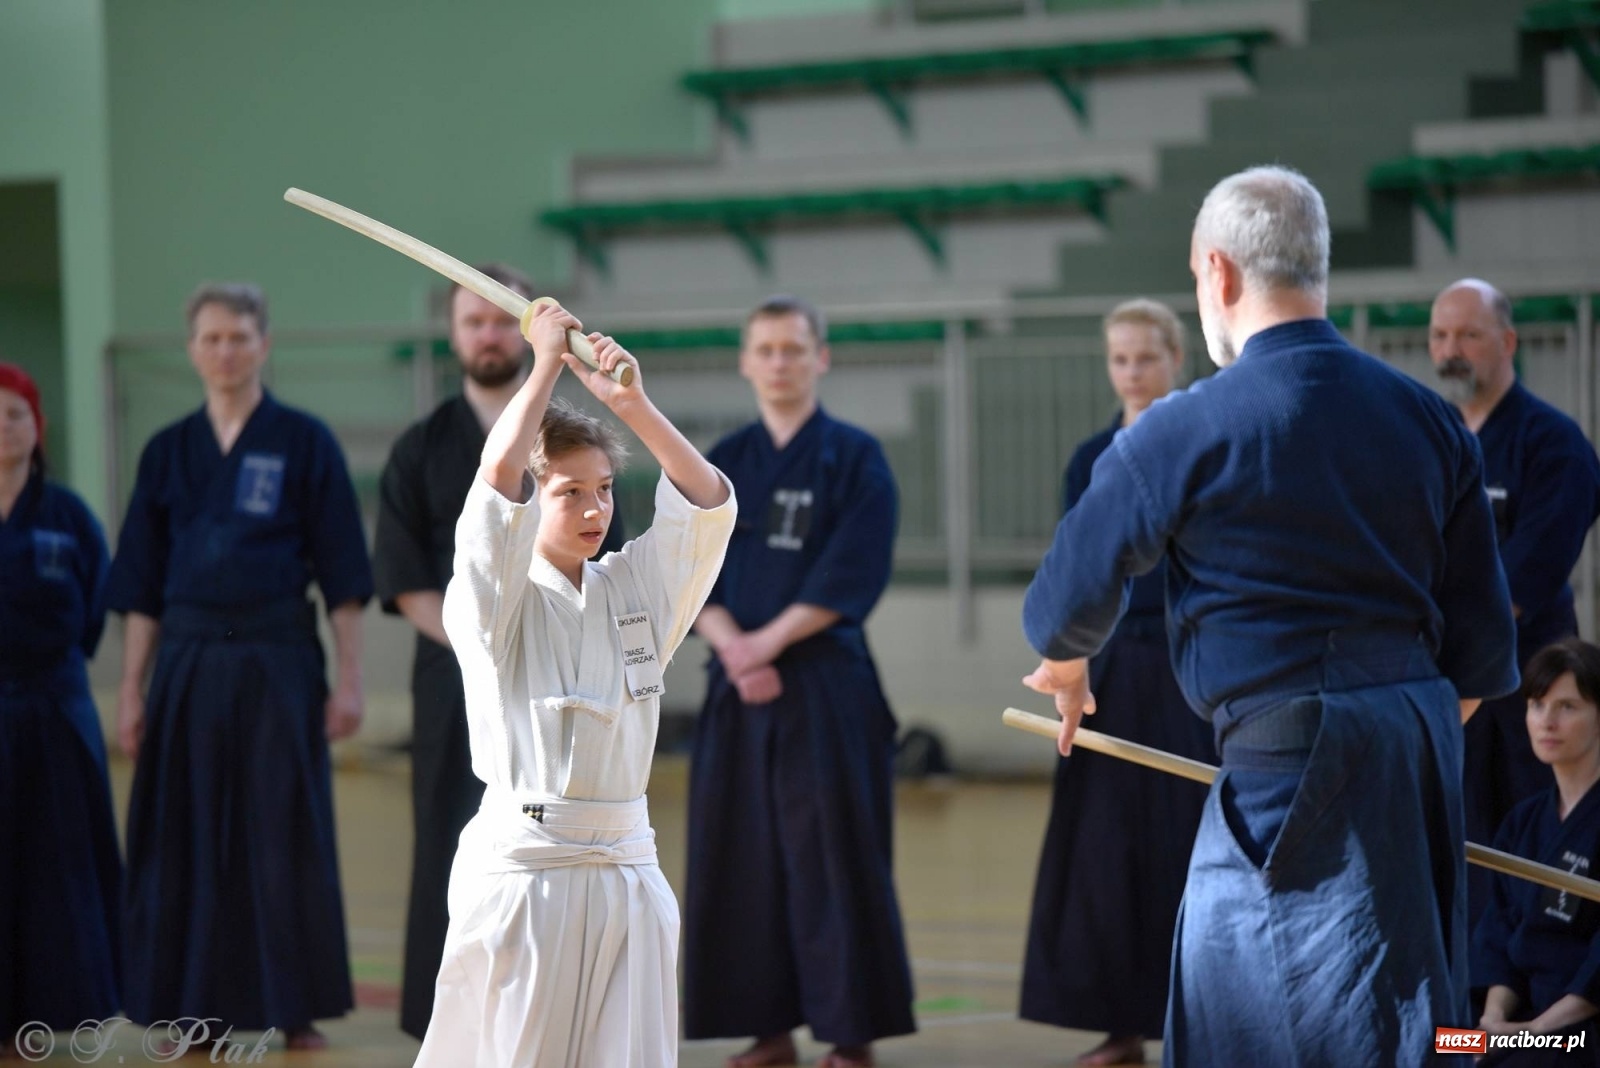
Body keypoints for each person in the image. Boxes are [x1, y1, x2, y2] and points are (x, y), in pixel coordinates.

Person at [1020, 165, 1519, 1067]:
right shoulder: (1430, 419)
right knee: (1406, 1015)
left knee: (1242, 1022)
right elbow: (1483, 656)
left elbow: (1061, 605)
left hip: (1290, 752)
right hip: (1421, 741)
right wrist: (1392, 733)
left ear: (1217, 274)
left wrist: (1067, 662)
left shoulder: (1181, 428)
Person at [412, 302, 733, 1068]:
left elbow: (708, 508)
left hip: (629, 869)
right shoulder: (491, 598)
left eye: (605, 490)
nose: (595, 509)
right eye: (568, 493)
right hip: (526, 875)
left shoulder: (636, 588)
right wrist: (544, 363)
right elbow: (494, 493)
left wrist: (634, 406)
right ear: (534, 498)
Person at [107, 284, 371, 1049]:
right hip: (186, 661)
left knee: (282, 828)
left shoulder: (304, 441)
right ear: (192, 350)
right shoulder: (166, 452)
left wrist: (349, 678)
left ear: (265, 344)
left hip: (278, 657)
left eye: (240, 338)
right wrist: (131, 687)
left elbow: (344, 577)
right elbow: (141, 589)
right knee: (183, 831)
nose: (226, 351)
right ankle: (188, 1006)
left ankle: (295, 1004)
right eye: (212, 339)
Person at [372, 264, 624, 1042]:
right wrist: (489, 649)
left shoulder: (572, 439)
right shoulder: (420, 447)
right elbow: (407, 576)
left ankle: (555, 1014)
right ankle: (442, 1017)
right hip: (453, 675)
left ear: (524, 330)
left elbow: (605, 555)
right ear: (454, 333)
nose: (486, 333)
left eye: (498, 320)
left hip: (558, 681)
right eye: (471, 321)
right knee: (444, 829)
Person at [682, 295, 915, 1068]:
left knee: (834, 856)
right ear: (746, 361)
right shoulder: (722, 464)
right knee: (739, 855)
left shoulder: (855, 457)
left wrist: (767, 645)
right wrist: (732, 648)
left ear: (821, 358)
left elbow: (855, 568)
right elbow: (687, 570)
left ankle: (850, 1033)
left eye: (793, 349)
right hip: (735, 688)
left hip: (824, 686)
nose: (779, 363)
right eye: (765, 350)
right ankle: (767, 1028)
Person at [1019, 300, 1215, 1067]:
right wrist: (1075, 652)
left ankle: (1196, 1021)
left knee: (1186, 841)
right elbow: (1080, 567)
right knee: (1105, 851)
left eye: (1145, 357)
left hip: (1186, 667)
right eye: (1120, 359)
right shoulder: (1091, 455)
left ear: (1175, 358)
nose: (1131, 372)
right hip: (1103, 671)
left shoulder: (1202, 444)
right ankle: (1119, 1023)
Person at [1429, 279, 1600, 925]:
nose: (1452, 350)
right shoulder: (1436, 439)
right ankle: (1472, 1013)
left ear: (1507, 342)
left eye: (1469, 335)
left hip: (1530, 683)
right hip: (1455, 684)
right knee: (1464, 845)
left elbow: (1529, 574)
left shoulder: (1553, 443)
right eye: (1441, 335)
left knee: (1533, 845)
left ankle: (1535, 1013)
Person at [0, 362, 120, 1056]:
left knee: (58, 859)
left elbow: (96, 608)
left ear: (36, 427)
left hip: (56, 708)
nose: (5, 429)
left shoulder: (68, 514)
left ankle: (58, 1005)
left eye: (16, 414)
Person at [1474, 638, 1600, 1066]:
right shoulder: (1523, 822)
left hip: (1576, 1031)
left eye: (1567, 707)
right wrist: (1494, 1020)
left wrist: (1530, 1032)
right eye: (1536, 705)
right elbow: (1499, 929)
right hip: (1516, 1025)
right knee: (1436, 1045)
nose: (1547, 721)